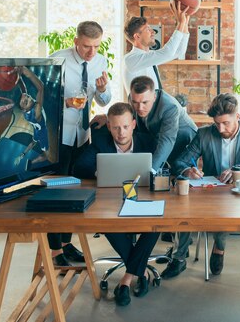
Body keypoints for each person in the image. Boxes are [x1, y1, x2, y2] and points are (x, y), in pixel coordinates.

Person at [163, 93, 240, 278]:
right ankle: (179, 258)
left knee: (225, 207)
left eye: (225, 123)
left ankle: (219, 247)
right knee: (183, 205)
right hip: (212, 192)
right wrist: (188, 171)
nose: (220, 128)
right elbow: (180, 162)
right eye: (217, 123)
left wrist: (239, 169)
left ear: (237, 116)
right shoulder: (204, 134)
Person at [72, 102, 159, 307]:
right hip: (111, 200)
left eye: (126, 127)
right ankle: (141, 272)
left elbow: (164, 166)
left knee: (157, 224)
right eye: (116, 127)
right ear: (109, 126)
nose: (121, 133)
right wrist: (97, 172)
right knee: (105, 222)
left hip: (144, 196)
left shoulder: (148, 142)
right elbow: (79, 167)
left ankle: (126, 279)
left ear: (134, 125)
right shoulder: (100, 142)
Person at [48, 20, 111, 266]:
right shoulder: (57, 59)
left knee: (74, 193)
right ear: (76, 41)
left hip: (82, 135)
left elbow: (104, 101)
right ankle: (54, 252)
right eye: (86, 46)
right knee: (55, 194)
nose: (91, 52)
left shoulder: (101, 62)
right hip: (59, 137)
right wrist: (65, 103)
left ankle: (66, 243)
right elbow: (42, 98)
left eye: (96, 46)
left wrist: (104, 90)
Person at [127, 75, 197, 172]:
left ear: (154, 97)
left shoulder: (169, 107)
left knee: (179, 174)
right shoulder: (132, 99)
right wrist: (107, 117)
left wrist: (150, 172)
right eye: (135, 102)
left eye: (145, 102)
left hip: (183, 141)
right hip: (157, 137)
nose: (140, 108)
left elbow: (167, 141)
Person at [123, 0, 194, 95]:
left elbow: (179, 52)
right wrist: (180, 23)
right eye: (148, 29)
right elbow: (167, 52)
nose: (153, 32)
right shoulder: (130, 59)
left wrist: (184, 23)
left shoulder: (148, 57)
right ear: (137, 36)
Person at [14, 66, 49, 168]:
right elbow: (41, 87)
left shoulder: (26, 111)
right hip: (42, 131)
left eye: (28, 97)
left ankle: (22, 156)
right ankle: (30, 164)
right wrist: (25, 71)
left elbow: (23, 90)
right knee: (46, 155)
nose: (29, 98)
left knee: (33, 142)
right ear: (24, 109)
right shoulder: (36, 111)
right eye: (26, 102)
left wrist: (18, 78)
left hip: (36, 129)